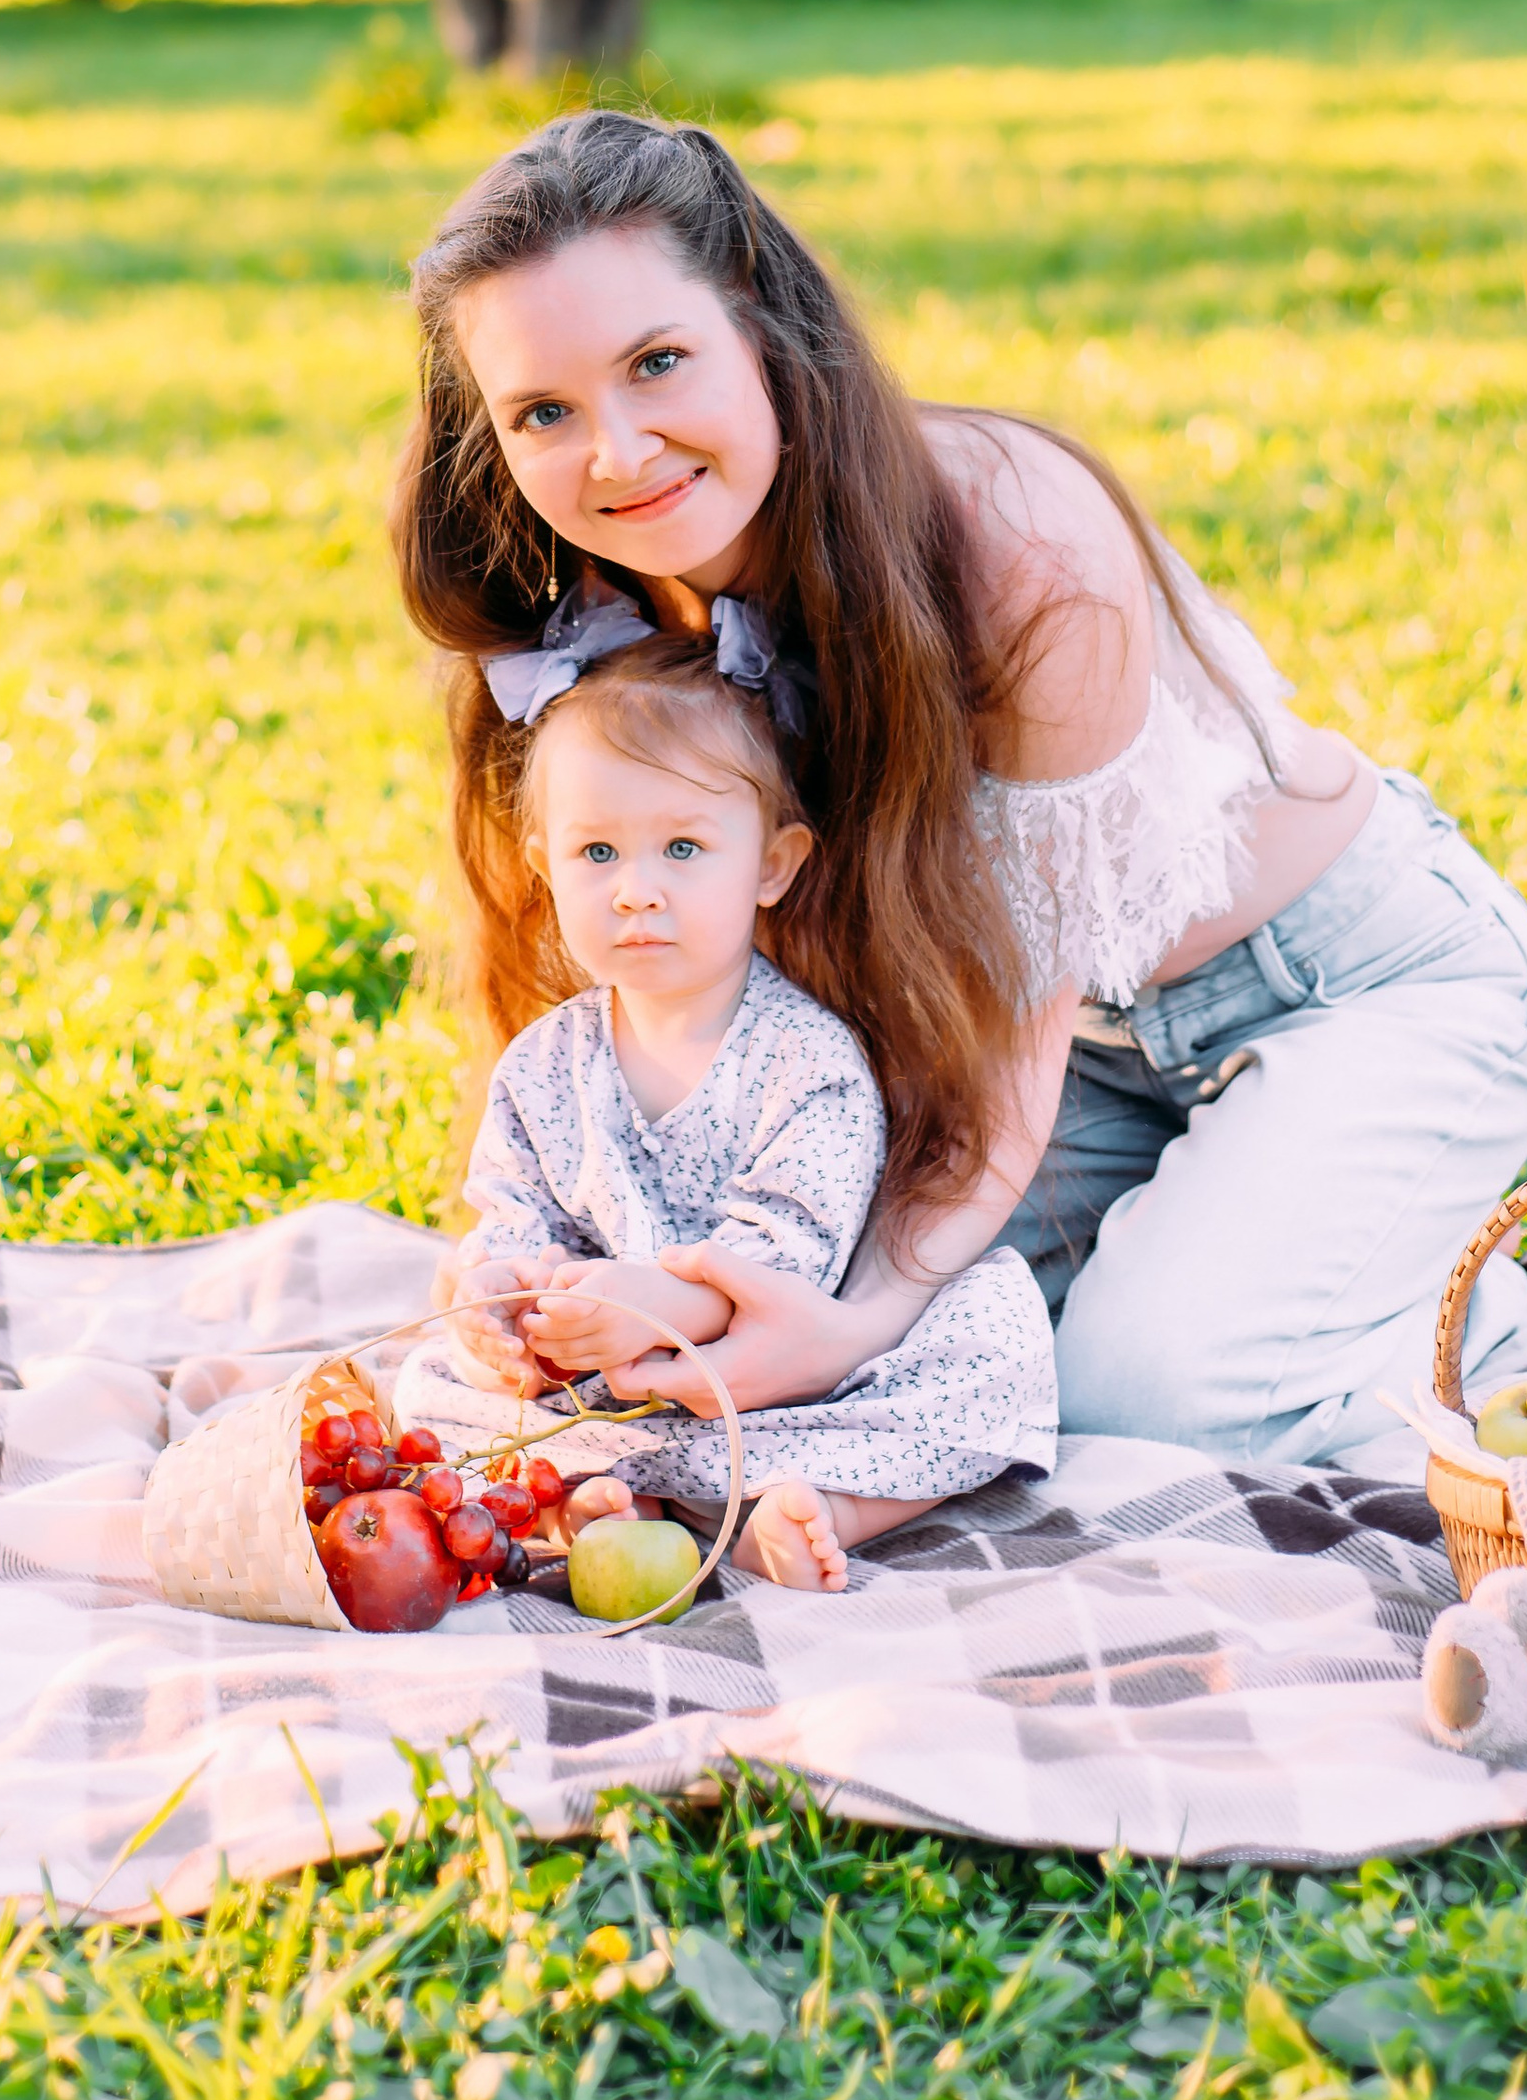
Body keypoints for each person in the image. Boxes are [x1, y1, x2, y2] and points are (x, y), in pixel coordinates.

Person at [392, 109, 1527, 1474]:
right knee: (934, 1348)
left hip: (1356, 984)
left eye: (660, 362)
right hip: (1085, 1063)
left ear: (765, 330)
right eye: (544, 412)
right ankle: (1300, 1262)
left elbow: (1021, 999)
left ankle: (1431, 1307)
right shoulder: (581, 605)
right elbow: (615, 965)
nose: (617, 453)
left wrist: (853, 1317)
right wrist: (555, 1262)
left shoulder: (1013, 538)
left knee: (1128, 1404)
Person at [391, 623, 1056, 1588]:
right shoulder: (545, 1065)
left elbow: (800, 1245)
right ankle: (612, 1507)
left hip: (785, 1387)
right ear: (544, 864)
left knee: (991, 1332)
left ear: (772, 866)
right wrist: (503, 1293)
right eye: (599, 852)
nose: (637, 891)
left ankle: (822, 1510)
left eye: (684, 848)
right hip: (612, 1391)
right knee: (432, 1382)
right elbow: (512, 1207)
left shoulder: (805, 1059)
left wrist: (676, 1306)